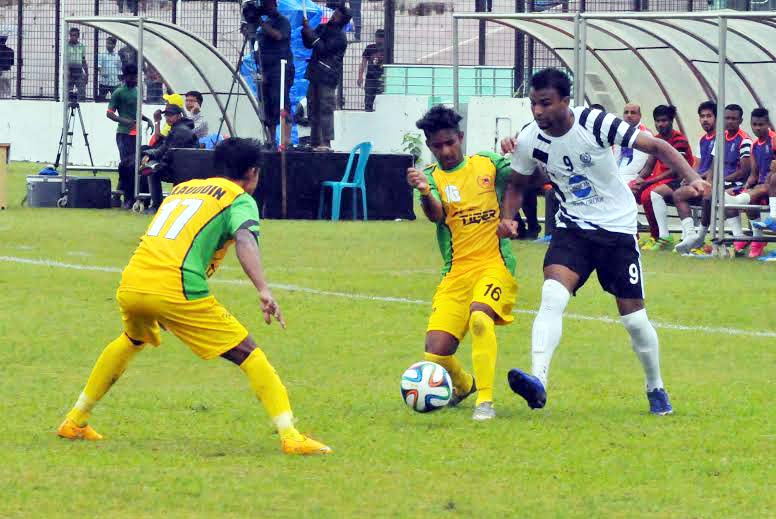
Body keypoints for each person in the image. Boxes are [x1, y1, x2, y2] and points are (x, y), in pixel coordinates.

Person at [56, 137, 332, 455]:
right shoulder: (239, 198)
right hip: (176, 286)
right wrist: (263, 289)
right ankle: (291, 436)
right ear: (253, 172)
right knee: (249, 354)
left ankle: (75, 420)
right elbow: (245, 240)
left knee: (132, 340)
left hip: (134, 279)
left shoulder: (183, 188)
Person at [500, 68, 707, 415]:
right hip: (574, 229)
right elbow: (518, 183)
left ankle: (655, 387)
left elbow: (656, 145)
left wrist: (693, 177)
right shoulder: (529, 137)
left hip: (617, 231)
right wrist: (508, 217)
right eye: (534, 104)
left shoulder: (594, 123)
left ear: (565, 101)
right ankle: (538, 381)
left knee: (635, 322)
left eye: (546, 104)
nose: (538, 112)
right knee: (551, 295)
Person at [406, 106, 518, 421]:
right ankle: (464, 384)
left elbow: (527, 177)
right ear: (429, 145)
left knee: (480, 318)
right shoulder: (430, 177)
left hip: (495, 264)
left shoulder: (488, 163)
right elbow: (436, 215)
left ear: (461, 137)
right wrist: (425, 192)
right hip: (456, 273)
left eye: (450, 143)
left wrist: (520, 150)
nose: (445, 151)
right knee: (435, 353)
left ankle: (485, 401)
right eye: (437, 146)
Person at [674, 103, 752, 255]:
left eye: (733, 119)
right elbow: (713, 167)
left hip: (734, 184)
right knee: (679, 194)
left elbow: (744, 171)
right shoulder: (720, 138)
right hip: (718, 183)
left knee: (710, 196)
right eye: (727, 118)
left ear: (740, 120)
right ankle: (690, 235)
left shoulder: (744, 140)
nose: (729, 121)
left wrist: (717, 182)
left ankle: (704, 237)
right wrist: (708, 182)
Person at [633, 105, 693, 251]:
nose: (660, 124)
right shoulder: (657, 139)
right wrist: (639, 179)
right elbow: (648, 166)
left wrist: (649, 182)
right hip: (664, 179)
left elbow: (677, 170)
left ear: (671, 121)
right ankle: (636, 237)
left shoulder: (679, 140)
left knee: (649, 194)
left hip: (681, 179)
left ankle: (662, 236)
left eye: (664, 120)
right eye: (657, 121)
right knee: (633, 190)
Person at [724, 108, 775, 258]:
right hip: (760, 186)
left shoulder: (774, 140)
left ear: (767, 124)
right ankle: (745, 238)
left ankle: (759, 237)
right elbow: (753, 175)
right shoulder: (754, 145)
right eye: (754, 124)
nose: (757, 128)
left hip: (772, 187)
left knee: (760, 188)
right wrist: (745, 187)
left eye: (761, 124)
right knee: (731, 196)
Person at [302, 5, 351, 151]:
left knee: (325, 109)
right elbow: (309, 44)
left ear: (342, 19)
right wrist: (306, 31)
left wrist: (311, 34)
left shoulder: (341, 37)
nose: (333, 15)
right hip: (314, 74)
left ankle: (326, 143)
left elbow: (323, 49)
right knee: (312, 107)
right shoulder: (323, 28)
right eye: (334, 12)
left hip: (328, 77)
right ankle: (315, 141)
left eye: (337, 14)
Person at [672, 101, 717, 254]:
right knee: (677, 193)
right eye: (702, 116)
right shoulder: (702, 140)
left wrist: (698, 179)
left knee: (705, 196)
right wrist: (689, 176)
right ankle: (690, 235)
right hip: (701, 180)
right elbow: (696, 166)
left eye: (709, 116)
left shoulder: (721, 137)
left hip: (714, 182)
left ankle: (699, 238)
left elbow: (714, 168)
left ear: (717, 118)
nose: (705, 119)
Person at [107, 63, 152, 209]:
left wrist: (148, 120)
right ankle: (127, 198)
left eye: (136, 76)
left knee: (134, 165)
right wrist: (124, 121)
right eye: (131, 76)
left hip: (135, 134)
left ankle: (119, 196)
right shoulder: (118, 92)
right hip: (124, 134)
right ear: (125, 77)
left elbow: (136, 112)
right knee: (127, 165)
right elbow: (109, 113)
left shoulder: (138, 91)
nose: (134, 79)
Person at [141, 104, 198, 212]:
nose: (168, 117)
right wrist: (147, 154)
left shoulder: (180, 131)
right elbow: (163, 149)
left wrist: (157, 166)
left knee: (151, 171)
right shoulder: (177, 128)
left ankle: (156, 206)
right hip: (180, 167)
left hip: (181, 170)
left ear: (179, 116)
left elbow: (171, 153)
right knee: (149, 165)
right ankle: (154, 204)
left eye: (171, 115)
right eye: (166, 115)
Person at [258, 0, 294, 147]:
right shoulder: (267, 22)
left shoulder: (282, 21)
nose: (266, 7)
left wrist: (261, 23)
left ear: (273, 4)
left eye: (268, 4)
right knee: (267, 103)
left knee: (281, 101)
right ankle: (271, 139)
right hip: (265, 68)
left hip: (281, 67)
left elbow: (278, 35)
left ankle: (286, 140)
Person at [615, 103, 651, 185]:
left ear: (640, 116)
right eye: (626, 112)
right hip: (620, 170)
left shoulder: (645, 134)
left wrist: (619, 175)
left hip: (636, 174)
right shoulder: (619, 132)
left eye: (633, 113)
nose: (629, 115)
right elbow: (616, 157)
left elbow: (638, 164)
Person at [358, 29, 385, 112]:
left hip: (382, 79)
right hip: (370, 78)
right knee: (368, 103)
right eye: (378, 37)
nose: (379, 39)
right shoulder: (370, 48)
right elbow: (363, 63)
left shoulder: (387, 48)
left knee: (382, 104)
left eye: (381, 37)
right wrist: (360, 76)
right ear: (375, 37)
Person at [97, 36, 122, 102]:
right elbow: (98, 65)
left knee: (116, 100)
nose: (108, 45)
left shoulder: (117, 56)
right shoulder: (102, 54)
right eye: (107, 43)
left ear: (114, 45)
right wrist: (101, 72)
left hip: (115, 82)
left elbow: (119, 68)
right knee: (101, 100)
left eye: (110, 43)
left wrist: (120, 80)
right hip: (104, 81)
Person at [66, 27, 88, 100]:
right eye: (71, 35)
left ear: (78, 36)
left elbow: (83, 60)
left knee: (82, 92)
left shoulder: (81, 46)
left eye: (75, 35)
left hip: (78, 71)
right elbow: (64, 60)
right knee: (67, 92)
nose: (73, 37)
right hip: (69, 71)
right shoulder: (66, 46)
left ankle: (81, 104)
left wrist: (87, 73)